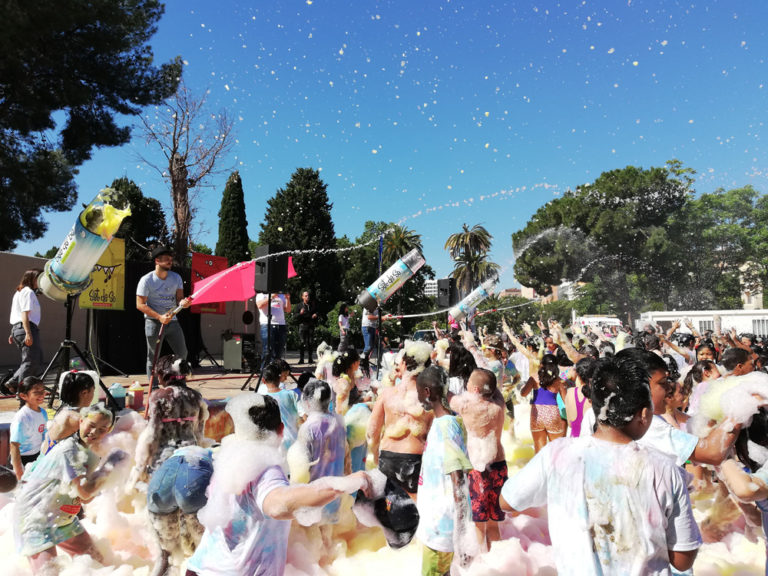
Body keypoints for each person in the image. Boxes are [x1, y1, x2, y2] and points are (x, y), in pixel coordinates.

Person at [500, 355, 702, 575]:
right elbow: (682, 560)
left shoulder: (557, 454)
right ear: (644, 414)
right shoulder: (665, 469)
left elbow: (508, 501)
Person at [187, 393, 370, 576]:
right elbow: (278, 505)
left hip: (199, 567)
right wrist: (348, 483)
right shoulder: (265, 468)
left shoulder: (227, 457)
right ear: (282, 429)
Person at [14, 403, 128, 576]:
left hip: (62, 518)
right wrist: (110, 468)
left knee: (97, 563)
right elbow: (84, 493)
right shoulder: (69, 451)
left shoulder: (88, 452)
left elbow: (85, 498)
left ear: (109, 430)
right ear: (81, 421)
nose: (94, 433)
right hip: (34, 520)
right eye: (91, 426)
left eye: (102, 429)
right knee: (49, 573)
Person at [415, 366, 475, 575]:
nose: (417, 397)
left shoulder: (447, 427)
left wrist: (462, 534)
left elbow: (458, 479)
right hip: (437, 524)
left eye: (418, 391)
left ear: (427, 392)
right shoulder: (444, 422)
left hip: (441, 527)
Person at [367, 340, 435, 496]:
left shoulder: (387, 394)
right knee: (414, 511)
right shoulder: (429, 399)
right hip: (415, 457)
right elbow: (433, 436)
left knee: (387, 511)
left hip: (388, 456)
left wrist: (374, 459)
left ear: (403, 364)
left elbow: (372, 431)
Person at [449, 368, 507, 551]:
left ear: (474, 390)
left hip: (478, 469)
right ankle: (499, 563)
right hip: (499, 465)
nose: (465, 386)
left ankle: (483, 562)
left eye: (469, 384)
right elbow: (492, 388)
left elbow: (447, 396)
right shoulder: (499, 404)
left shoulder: (467, 407)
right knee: (493, 523)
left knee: (479, 523)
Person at [136, 246, 192, 387]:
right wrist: (159, 317)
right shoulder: (146, 280)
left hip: (173, 322)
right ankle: (154, 389)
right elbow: (140, 304)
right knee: (153, 357)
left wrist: (184, 303)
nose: (170, 261)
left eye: (171, 259)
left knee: (182, 353)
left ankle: (179, 383)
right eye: (166, 259)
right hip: (153, 322)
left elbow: (179, 298)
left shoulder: (176, 277)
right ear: (157, 261)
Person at [4, 269, 44, 396]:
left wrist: (14, 332)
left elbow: (16, 314)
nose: (40, 281)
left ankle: (14, 382)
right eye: (39, 278)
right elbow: (24, 314)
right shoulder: (28, 292)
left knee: (34, 360)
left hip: (19, 328)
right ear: (32, 278)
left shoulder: (19, 292)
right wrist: (27, 332)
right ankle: (22, 394)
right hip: (27, 328)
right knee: (31, 362)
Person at [43, 370, 96, 454]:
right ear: (85, 393)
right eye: (93, 391)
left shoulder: (64, 409)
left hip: (46, 457)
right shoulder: (77, 417)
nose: (93, 395)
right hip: (55, 463)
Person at [9, 376, 48, 480]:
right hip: (23, 459)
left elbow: (44, 436)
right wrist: (19, 473)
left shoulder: (43, 413)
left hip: (37, 455)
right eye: (36, 392)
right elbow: (14, 446)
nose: (42, 394)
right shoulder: (22, 417)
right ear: (23, 396)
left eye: (43, 391)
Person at [256, 291, 291, 369]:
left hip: (281, 324)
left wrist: (287, 299)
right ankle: (264, 372)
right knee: (267, 350)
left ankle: (276, 372)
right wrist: (272, 296)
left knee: (279, 350)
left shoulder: (281, 294)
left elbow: (288, 310)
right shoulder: (262, 294)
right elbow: (259, 305)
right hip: (267, 324)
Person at [297, 290, 318, 364]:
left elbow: (316, 312)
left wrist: (315, 315)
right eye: (305, 296)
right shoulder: (299, 305)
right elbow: (295, 317)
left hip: (310, 326)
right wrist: (300, 313)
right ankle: (301, 359)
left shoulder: (312, 305)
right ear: (302, 297)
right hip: (303, 326)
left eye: (308, 295)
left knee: (310, 343)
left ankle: (310, 358)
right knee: (302, 342)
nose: (307, 297)